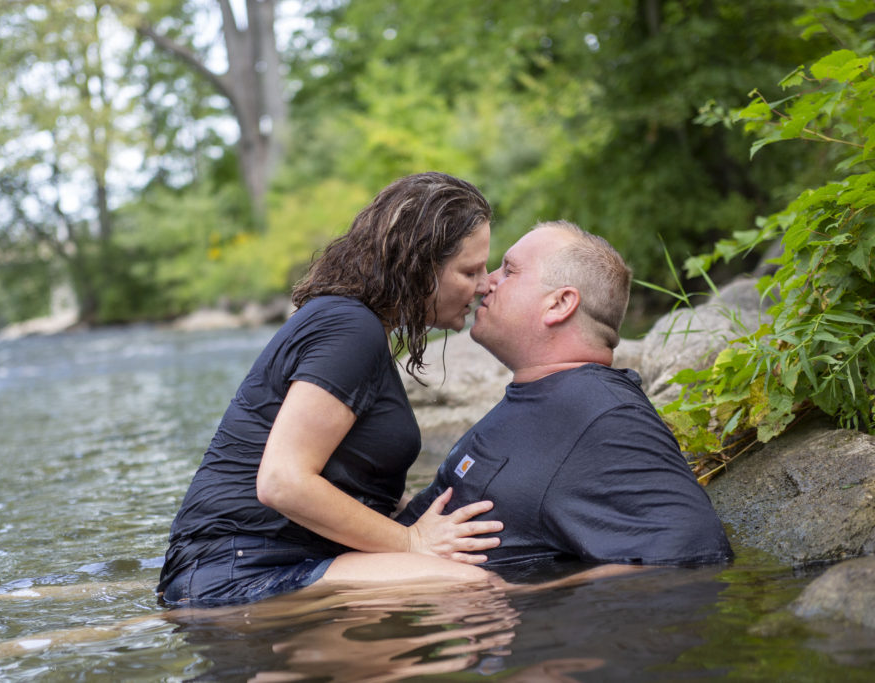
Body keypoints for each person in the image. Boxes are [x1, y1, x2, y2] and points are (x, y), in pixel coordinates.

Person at [157, 172, 505, 608]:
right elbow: (281, 482)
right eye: (469, 270)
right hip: (233, 571)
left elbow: (341, 469)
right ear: (418, 267)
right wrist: (412, 541)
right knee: (473, 585)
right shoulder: (350, 329)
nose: (485, 283)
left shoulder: (355, 325)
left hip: (247, 561)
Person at [396, 220, 733, 577]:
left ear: (559, 304)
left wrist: (522, 595)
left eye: (508, 271)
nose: (485, 282)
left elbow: (695, 551)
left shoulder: (605, 413)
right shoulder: (546, 398)